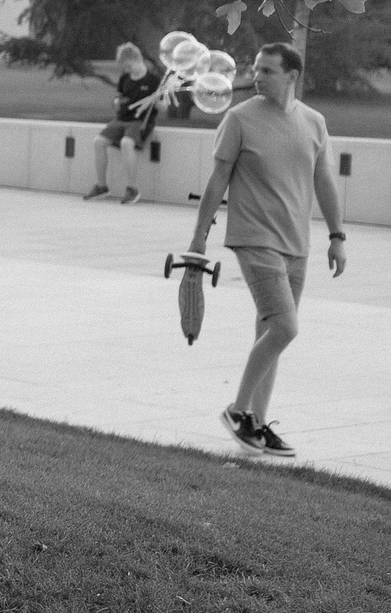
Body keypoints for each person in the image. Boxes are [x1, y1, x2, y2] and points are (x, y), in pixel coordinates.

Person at [188, 42, 345, 461]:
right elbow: (218, 178)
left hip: (297, 243)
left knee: (270, 334)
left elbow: (324, 180)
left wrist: (337, 235)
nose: (257, 77)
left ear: (292, 75)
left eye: (268, 71)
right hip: (254, 238)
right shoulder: (239, 119)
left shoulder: (314, 122)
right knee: (285, 327)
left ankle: (256, 423)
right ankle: (238, 411)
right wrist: (199, 236)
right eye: (256, 69)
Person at [82, 41, 160, 202]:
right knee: (98, 141)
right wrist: (117, 102)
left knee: (126, 143)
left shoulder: (153, 80)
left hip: (139, 121)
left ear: (137, 59)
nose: (126, 70)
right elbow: (117, 98)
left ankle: (132, 189)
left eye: (128, 66)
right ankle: (102, 186)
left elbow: (163, 107)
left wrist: (156, 100)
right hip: (122, 119)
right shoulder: (125, 78)